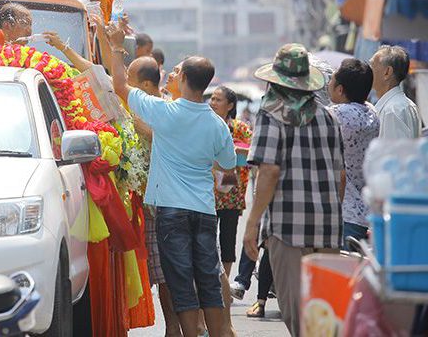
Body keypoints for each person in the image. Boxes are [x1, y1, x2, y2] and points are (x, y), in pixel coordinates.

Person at [108, 22, 236, 337]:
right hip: (204, 211)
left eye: (176, 73)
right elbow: (227, 164)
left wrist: (113, 47)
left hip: (171, 210)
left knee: (179, 279)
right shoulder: (217, 124)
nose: (172, 76)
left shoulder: (164, 112)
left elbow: (120, 87)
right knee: (207, 277)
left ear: (187, 80)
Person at [242, 43, 345, 336]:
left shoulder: (270, 113)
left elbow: (269, 170)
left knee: (296, 312)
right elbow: (340, 174)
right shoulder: (328, 116)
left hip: (287, 228)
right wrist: (330, 212)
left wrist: (252, 224)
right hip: (327, 227)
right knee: (325, 312)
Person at [127, 56, 183, 337]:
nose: (125, 85)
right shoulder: (139, 107)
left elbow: (170, 144)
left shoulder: (167, 108)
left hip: (163, 204)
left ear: (146, 84)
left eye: (130, 80)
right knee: (155, 272)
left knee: (167, 275)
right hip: (143, 202)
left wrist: (143, 129)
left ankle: (177, 329)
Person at [328, 58, 379, 246]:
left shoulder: (335, 114)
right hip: (367, 210)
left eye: (331, 80)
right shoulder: (372, 112)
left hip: (345, 212)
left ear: (340, 89)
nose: (328, 84)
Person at [209, 86, 252, 279]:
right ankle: (209, 282)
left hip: (232, 196)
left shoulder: (240, 128)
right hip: (207, 194)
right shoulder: (205, 124)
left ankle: (224, 284)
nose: (213, 102)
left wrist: (232, 149)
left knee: (228, 241)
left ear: (230, 105)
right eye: (212, 99)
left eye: (218, 99)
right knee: (206, 242)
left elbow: (253, 153)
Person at [370, 45, 421, 139]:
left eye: (372, 65)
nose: (368, 71)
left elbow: (394, 152)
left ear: (387, 72)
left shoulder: (391, 111)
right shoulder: (404, 104)